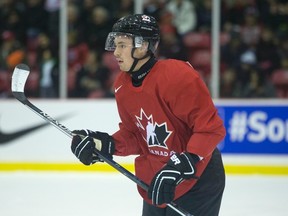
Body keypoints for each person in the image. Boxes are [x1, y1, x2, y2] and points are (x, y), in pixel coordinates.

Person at [70, 14, 226, 216]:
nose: (115, 52)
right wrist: (104, 144)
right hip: (158, 178)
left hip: (198, 178)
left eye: (122, 45)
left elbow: (210, 128)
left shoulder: (176, 76)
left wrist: (185, 162)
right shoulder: (122, 84)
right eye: (115, 45)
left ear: (142, 46)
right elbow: (136, 135)